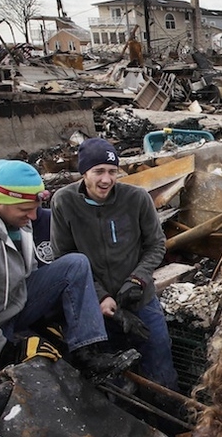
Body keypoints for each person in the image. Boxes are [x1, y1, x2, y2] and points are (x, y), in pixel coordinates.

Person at [0, 159, 139, 392]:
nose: (33, 217)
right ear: (1, 201)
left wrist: (44, 319)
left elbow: (28, 274)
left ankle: (87, 354)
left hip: (9, 309)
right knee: (7, 400)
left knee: (75, 265)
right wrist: (5, 350)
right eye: (25, 210)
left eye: (35, 208)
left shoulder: (17, 220)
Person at [51, 137, 178, 390]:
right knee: (115, 378)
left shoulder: (137, 198)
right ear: (84, 172)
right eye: (98, 171)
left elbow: (156, 244)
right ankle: (127, 421)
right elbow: (63, 257)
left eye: (112, 172)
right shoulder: (64, 202)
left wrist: (138, 278)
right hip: (98, 310)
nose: (106, 180)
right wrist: (100, 297)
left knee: (160, 365)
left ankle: (169, 421)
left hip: (141, 301)